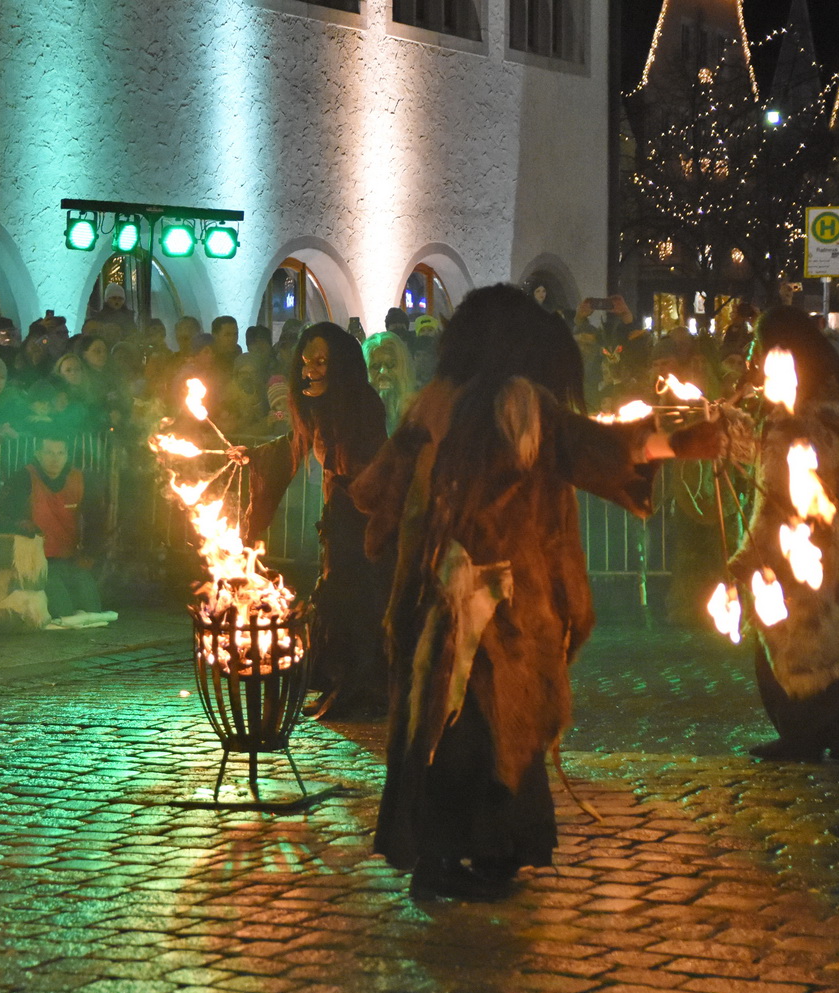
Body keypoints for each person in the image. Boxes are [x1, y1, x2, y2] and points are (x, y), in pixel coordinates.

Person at [348, 285, 725, 899]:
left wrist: (397, 543)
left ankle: (482, 852)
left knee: (453, 726)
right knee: (483, 732)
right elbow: (594, 449)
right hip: (494, 607)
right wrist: (679, 439)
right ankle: (452, 858)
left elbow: (379, 491)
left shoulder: (436, 401)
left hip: (436, 592)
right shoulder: (519, 405)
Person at [729, 306, 839, 762]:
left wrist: (748, 557)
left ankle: (822, 725)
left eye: (759, 348)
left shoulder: (794, 416)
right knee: (832, 636)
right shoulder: (830, 401)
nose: (754, 358)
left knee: (793, 642)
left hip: (795, 547)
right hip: (835, 541)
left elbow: (776, 494)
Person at [232, 322, 390, 720]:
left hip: (365, 517)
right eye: (306, 362)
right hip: (340, 515)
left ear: (341, 363)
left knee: (355, 600)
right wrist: (254, 455)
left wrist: (325, 410)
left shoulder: (362, 403)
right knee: (337, 598)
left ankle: (362, 688)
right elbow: (296, 444)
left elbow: (357, 462)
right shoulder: (322, 407)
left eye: (321, 361)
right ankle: (342, 684)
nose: (310, 370)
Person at [0, 435, 108, 619]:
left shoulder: (80, 480)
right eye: (49, 453)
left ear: (67, 456)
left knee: (93, 610)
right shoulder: (22, 479)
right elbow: (1, 517)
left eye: (60, 453)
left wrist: (89, 554)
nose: (55, 459)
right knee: (63, 612)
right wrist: (21, 526)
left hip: (70, 559)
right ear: (38, 454)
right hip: (36, 561)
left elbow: (96, 522)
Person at [364, 331, 416, 434]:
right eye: (375, 366)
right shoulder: (357, 418)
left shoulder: (420, 413)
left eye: (391, 364)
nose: (383, 372)